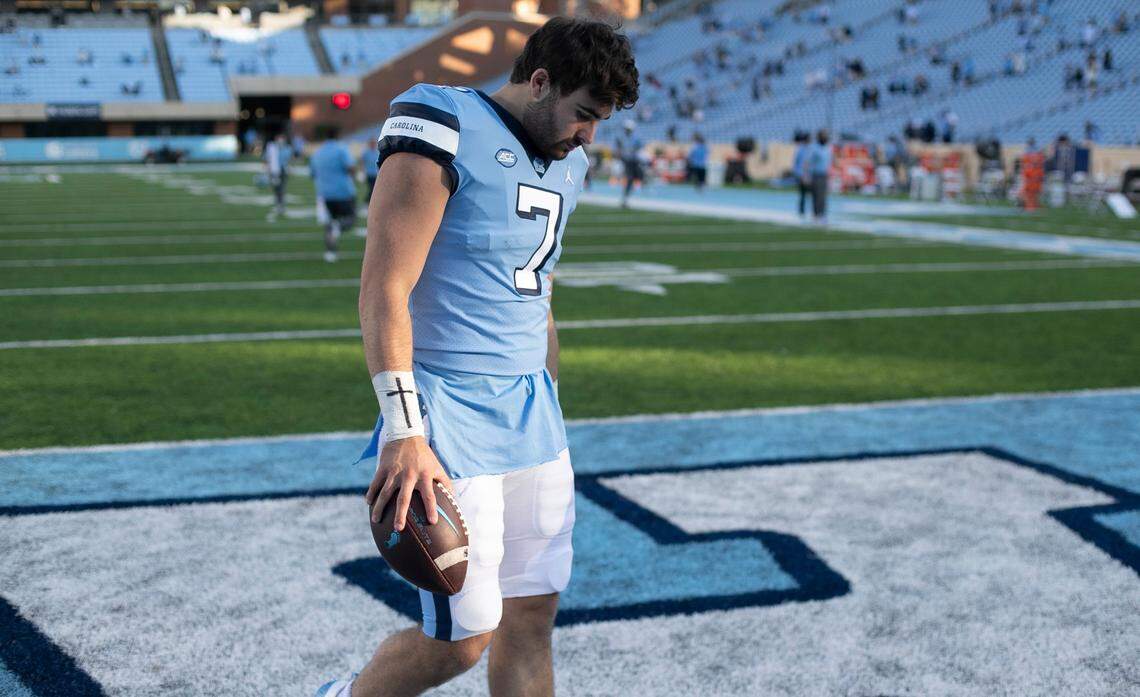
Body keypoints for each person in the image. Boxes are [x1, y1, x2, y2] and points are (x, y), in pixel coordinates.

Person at [314, 17, 638, 697]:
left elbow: (535, 290)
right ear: (540, 81)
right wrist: (405, 431)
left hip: (532, 415)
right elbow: (385, 287)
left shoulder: (570, 162)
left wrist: (550, 394)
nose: (589, 136)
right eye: (584, 114)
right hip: (447, 410)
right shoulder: (444, 119)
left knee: (532, 619)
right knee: (461, 639)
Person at [308, 126, 357, 263]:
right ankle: (338, 228)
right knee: (350, 220)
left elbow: (312, 174)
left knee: (329, 224)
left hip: (324, 193)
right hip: (343, 191)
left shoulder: (318, 152)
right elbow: (351, 167)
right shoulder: (341, 149)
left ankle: (330, 252)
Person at [617, 119, 645, 207]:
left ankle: (628, 195)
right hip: (628, 161)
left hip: (634, 161)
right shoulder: (622, 138)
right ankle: (625, 198)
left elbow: (638, 148)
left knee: (639, 177)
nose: (627, 130)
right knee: (630, 179)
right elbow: (621, 150)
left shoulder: (635, 138)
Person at [264, 132, 292, 221]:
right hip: (274, 171)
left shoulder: (287, 148)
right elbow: (267, 158)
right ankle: (278, 204)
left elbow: (289, 159)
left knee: (282, 188)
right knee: (275, 189)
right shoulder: (272, 148)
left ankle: (281, 205)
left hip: (283, 171)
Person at [808, 129, 831, 223]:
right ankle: (816, 215)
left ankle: (822, 214)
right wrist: (807, 175)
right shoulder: (814, 148)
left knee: (823, 196)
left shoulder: (828, 148)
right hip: (816, 175)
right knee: (816, 196)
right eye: (823, 136)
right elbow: (808, 162)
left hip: (824, 175)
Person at [792, 131, 811, 216]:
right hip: (802, 175)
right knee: (804, 194)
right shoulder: (802, 150)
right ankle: (802, 212)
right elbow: (799, 163)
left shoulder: (808, 149)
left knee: (806, 195)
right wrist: (802, 175)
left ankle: (805, 211)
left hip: (806, 175)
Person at [361, 136, 380, 205]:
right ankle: (367, 202)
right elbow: (362, 163)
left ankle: (370, 202)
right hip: (369, 174)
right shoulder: (366, 153)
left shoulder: (378, 151)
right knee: (371, 189)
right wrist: (363, 172)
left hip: (377, 174)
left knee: (375, 189)